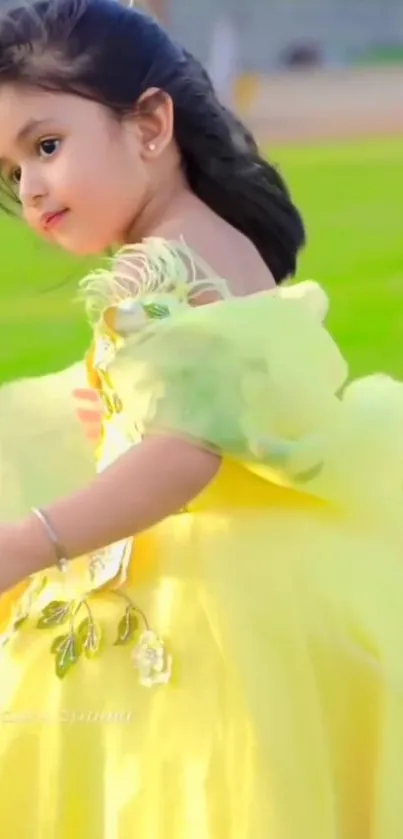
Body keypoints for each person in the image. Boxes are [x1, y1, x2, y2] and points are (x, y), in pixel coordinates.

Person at [0, 1, 402, 837]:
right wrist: (117, 394)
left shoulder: (163, 260)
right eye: (10, 171)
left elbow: (185, 457)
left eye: (46, 146)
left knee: (160, 770)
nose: (31, 187)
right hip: (272, 567)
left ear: (150, 123)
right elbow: (221, 390)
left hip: (212, 591)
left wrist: (29, 542)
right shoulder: (201, 240)